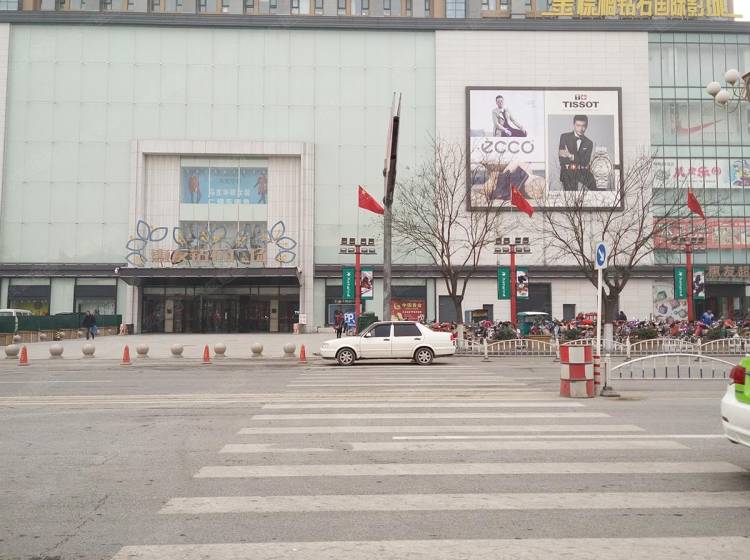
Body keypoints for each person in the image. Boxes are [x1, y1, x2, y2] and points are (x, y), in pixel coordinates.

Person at [558, 115, 596, 191]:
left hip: (583, 172)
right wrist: (579, 160)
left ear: (586, 126)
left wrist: (570, 156)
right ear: (574, 125)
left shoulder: (589, 143)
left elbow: (585, 161)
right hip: (568, 172)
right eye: (578, 125)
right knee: (571, 194)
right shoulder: (564, 137)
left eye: (583, 126)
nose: (581, 129)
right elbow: (562, 159)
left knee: (595, 187)